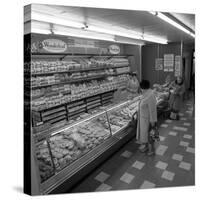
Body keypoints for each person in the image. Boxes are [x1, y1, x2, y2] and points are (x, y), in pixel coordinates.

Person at [136, 80, 157, 156]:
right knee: (145, 134)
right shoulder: (146, 93)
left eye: (141, 88)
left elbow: (152, 110)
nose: (140, 89)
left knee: (150, 135)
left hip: (148, 119)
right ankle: (145, 146)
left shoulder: (150, 95)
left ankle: (151, 150)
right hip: (144, 118)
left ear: (143, 88)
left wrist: (152, 123)